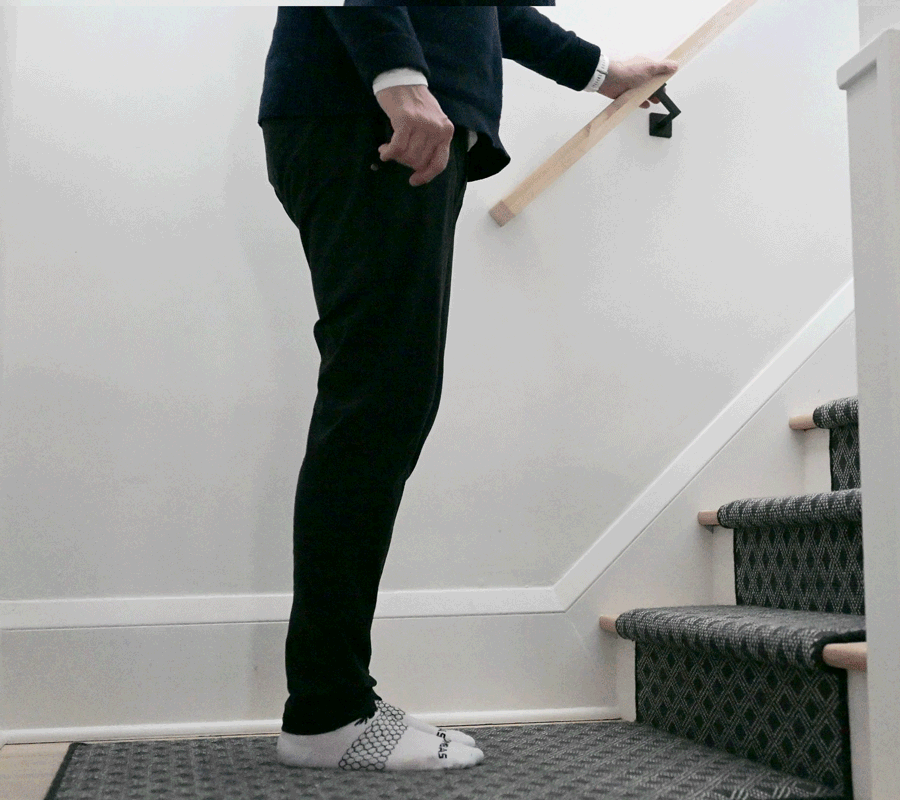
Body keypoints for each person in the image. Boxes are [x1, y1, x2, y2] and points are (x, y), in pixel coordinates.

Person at [258, 4, 677, 772]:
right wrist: (398, 74)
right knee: (376, 406)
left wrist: (597, 71)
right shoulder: (391, 95)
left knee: (383, 403)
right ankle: (327, 709)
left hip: (371, 114)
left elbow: (496, 10)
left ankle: (330, 699)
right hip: (373, 115)